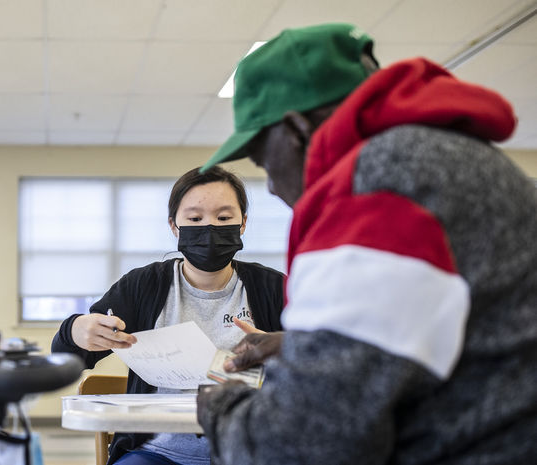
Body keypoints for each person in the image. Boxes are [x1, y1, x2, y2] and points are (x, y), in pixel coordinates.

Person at [196, 23, 537, 464]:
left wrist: (221, 412)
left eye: (265, 162)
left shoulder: (371, 191)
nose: (275, 189)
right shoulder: (453, 160)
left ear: (298, 130)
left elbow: (304, 446)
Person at [52, 166, 285, 465]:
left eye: (224, 218)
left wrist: (285, 349)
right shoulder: (142, 286)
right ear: (175, 227)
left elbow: (324, 363)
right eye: (195, 218)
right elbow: (68, 356)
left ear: (242, 225)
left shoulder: (274, 289)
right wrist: (76, 330)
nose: (210, 228)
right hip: (155, 453)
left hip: (250, 452)